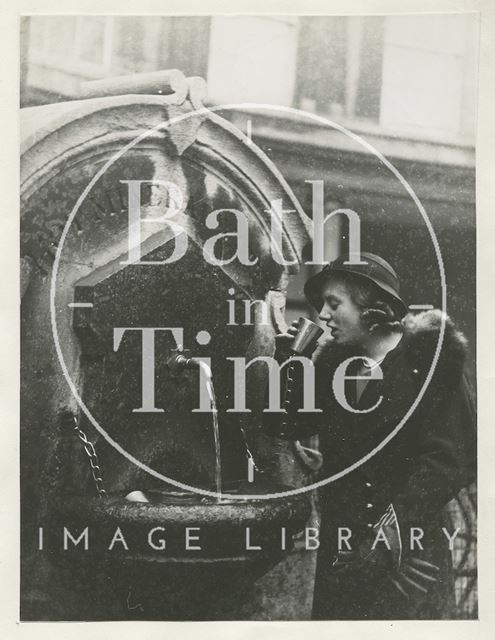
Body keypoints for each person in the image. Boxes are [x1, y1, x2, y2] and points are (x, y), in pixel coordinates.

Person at [263, 252, 476, 619]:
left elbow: (452, 459)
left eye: (334, 303)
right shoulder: (333, 364)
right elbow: (289, 424)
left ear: (371, 306)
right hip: (342, 550)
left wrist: (387, 540)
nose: (323, 315)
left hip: (407, 554)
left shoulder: (431, 359)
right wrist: (290, 361)